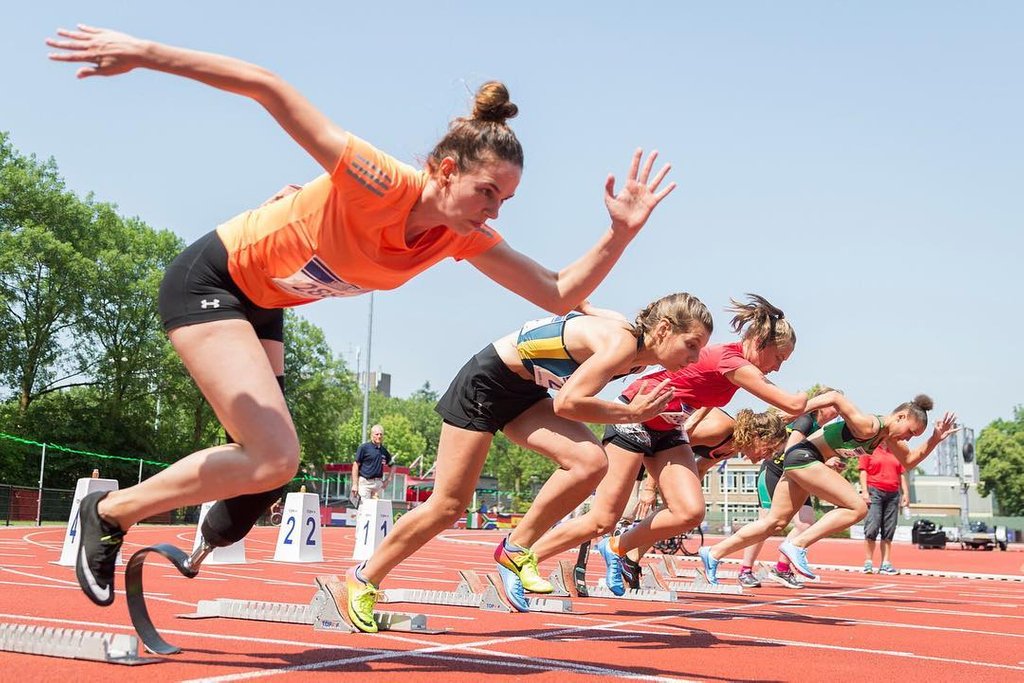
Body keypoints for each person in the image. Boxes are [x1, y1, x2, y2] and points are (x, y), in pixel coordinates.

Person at [47, 24, 677, 608]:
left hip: (265, 305)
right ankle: (110, 514)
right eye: (487, 192)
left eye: (506, 199)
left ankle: (213, 530)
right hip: (212, 283)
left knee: (265, 474)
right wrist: (145, 53)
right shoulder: (379, 180)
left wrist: (618, 235)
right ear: (444, 169)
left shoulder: (458, 236)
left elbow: (558, 290)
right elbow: (269, 88)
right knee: (273, 457)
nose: (495, 212)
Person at [343, 292, 713, 632]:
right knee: (448, 506)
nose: (694, 358)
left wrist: (567, 303)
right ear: (663, 329)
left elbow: (582, 306)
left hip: (525, 393)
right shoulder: (620, 343)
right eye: (691, 345)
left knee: (589, 462)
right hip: (484, 386)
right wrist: (629, 413)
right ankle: (364, 578)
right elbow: (568, 402)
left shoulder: (629, 341)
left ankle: (516, 549)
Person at [529, 294, 834, 595]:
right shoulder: (733, 361)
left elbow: (701, 398)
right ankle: (523, 558)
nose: (778, 368)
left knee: (689, 512)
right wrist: (832, 399)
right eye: (779, 358)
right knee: (603, 519)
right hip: (637, 413)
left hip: (671, 427)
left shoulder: (731, 365)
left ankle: (617, 548)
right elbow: (793, 405)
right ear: (760, 343)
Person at [698, 394, 959, 583]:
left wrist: (934, 440)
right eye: (910, 432)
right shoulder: (869, 425)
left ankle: (714, 553)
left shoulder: (886, 437)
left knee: (774, 522)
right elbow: (834, 397)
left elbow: (910, 461)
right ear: (901, 416)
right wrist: (794, 411)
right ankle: (797, 545)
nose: (908, 438)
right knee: (857, 507)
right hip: (803, 457)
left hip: (802, 461)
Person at [613, 407, 788, 588]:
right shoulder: (721, 429)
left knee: (680, 515)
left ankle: (631, 559)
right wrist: (649, 488)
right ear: (758, 436)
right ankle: (615, 550)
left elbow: (702, 466)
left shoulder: (731, 447)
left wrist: (691, 496)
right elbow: (664, 441)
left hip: (656, 451)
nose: (768, 457)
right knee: (620, 512)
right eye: (770, 449)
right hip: (639, 438)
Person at [738, 387, 842, 589]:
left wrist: (827, 463)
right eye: (834, 405)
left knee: (805, 523)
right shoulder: (805, 420)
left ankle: (782, 569)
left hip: (798, 477)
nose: (838, 410)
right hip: (776, 472)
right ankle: (745, 570)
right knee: (766, 524)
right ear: (821, 404)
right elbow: (791, 450)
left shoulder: (823, 430)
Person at [859, 442, 911, 575]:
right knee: (872, 526)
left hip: (893, 493)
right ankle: (868, 562)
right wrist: (864, 491)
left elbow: (901, 474)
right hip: (874, 491)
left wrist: (905, 493)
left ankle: (886, 563)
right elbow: (863, 470)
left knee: (889, 529)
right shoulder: (869, 449)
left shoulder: (896, 451)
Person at [352, 425, 392, 502]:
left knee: (376, 510)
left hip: (378, 484)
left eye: (381, 434)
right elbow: (355, 465)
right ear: (371, 435)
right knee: (364, 508)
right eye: (377, 434)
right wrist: (355, 484)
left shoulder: (384, 451)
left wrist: (388, 480)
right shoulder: (364, 448)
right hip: (365, 483)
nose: (379, 436)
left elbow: (393, 465)